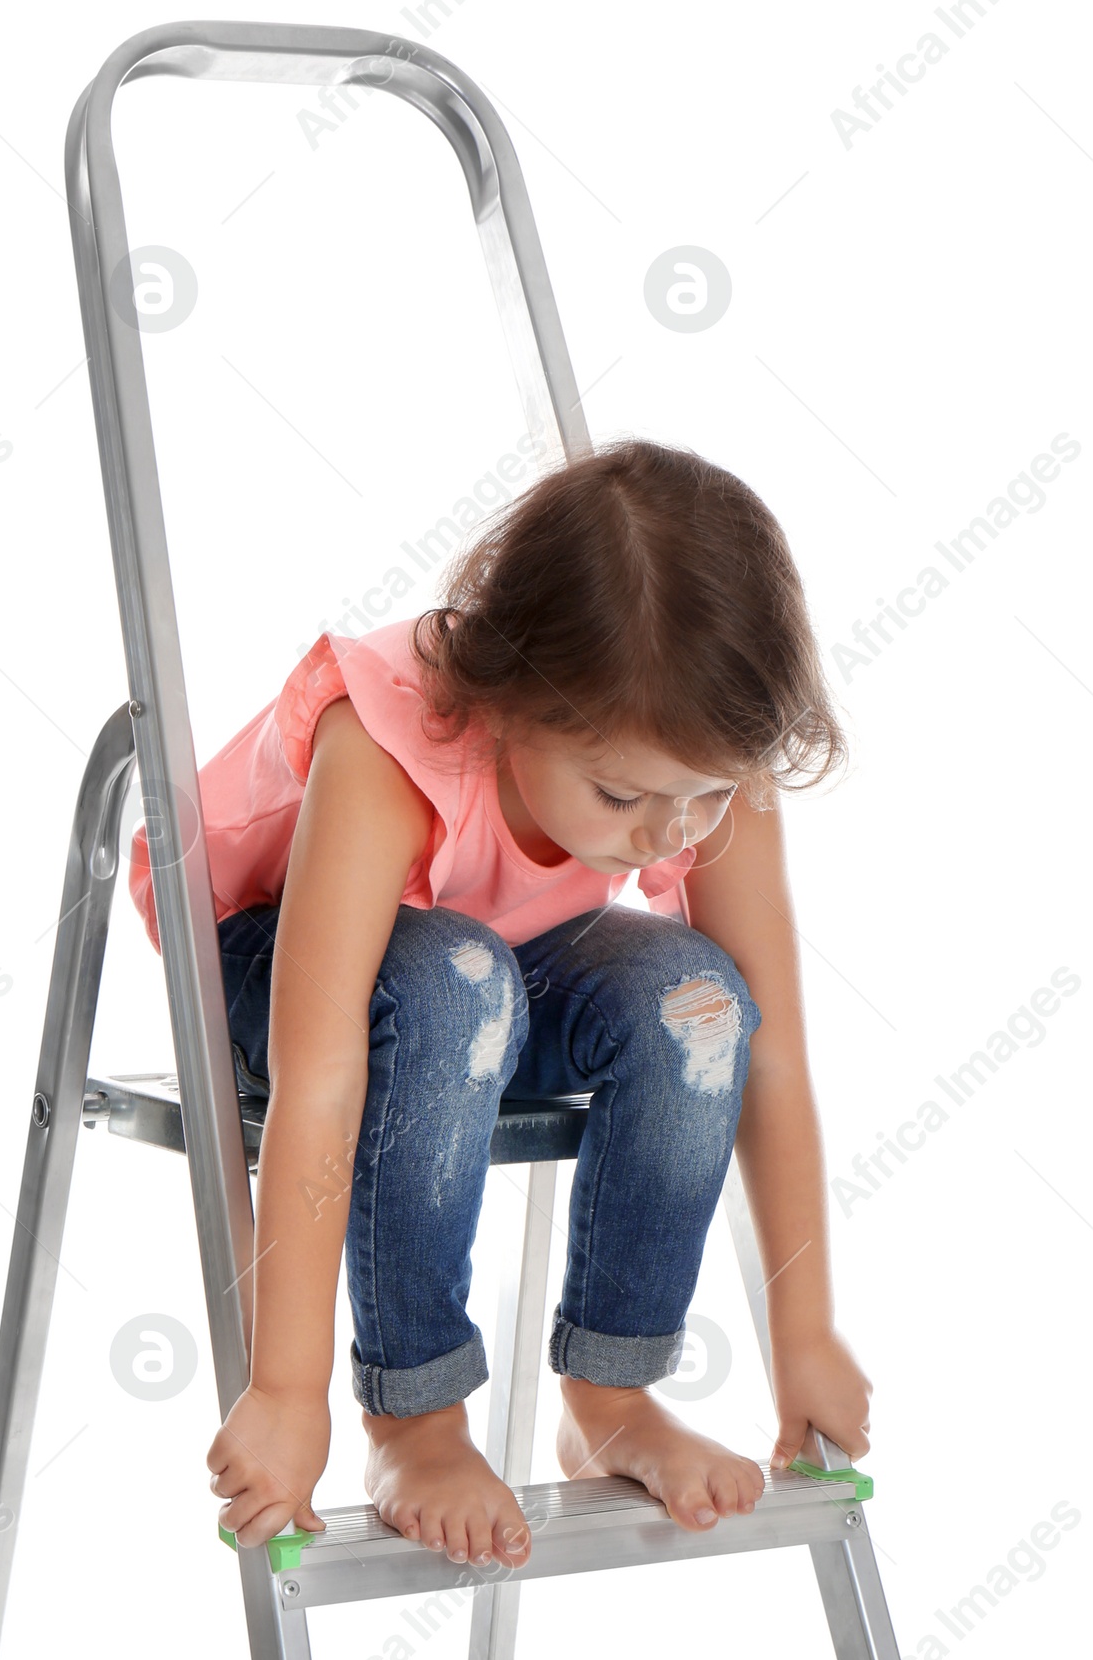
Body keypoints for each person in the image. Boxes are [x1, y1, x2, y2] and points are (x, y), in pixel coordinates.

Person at [128, 439, 871, 1573]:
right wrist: (287, 1389)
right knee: (450, 980)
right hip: (274, 947)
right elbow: (322, 1069)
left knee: (700, 1001)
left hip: (492, 957)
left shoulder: (694, 770)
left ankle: (610, 1398)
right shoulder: (386, 745)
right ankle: (415, 1415)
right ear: (512, 702)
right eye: (622, 794)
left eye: (704, 795)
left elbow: (770, 1056)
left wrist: (804, 1329)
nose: (671, 835)